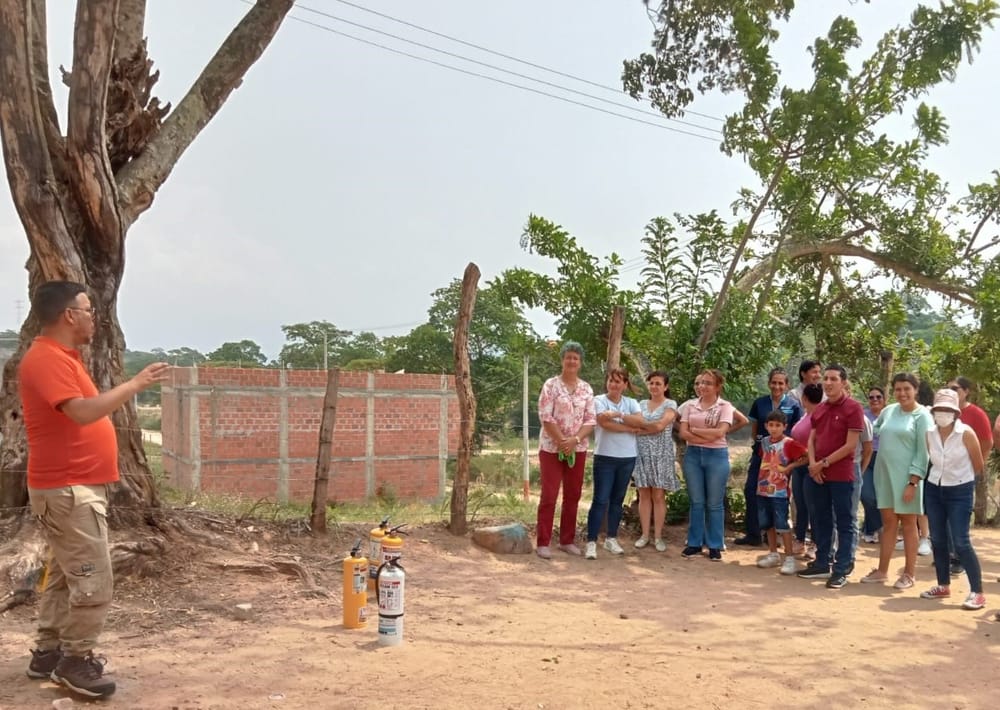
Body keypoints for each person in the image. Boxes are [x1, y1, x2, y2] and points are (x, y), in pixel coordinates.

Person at [20, 281, 170, 699]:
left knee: (67, 575)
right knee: (92, 578)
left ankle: (48, 652)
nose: (94, 319)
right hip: (67, 489)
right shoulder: (46, 359)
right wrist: (136, 384)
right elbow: (83, 413)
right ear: (69, 315)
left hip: (72, 488)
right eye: (89, 310)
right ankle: (75, 660)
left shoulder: (63, 358)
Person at [861, 373, 933, 590]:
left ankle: (909, 574)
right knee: (889, 522)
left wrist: (913, 482)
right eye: (898, 389)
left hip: (907, 479)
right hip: (884, 476)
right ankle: (882, 571)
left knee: (910, 524)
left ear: (915, 390)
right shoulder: (889, 410)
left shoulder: (922, 417)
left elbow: (923, 453)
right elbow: (877, 429)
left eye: (907, 389)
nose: (902, 393)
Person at [919, 389, 987, 610]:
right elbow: (932, 461)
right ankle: (943, 585)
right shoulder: (929, 433)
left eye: (948, 410)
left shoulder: (966, 433)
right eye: (939, 409)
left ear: (956, 412)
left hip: (960, 490)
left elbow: (978, 465)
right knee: (938, 539)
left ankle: (977, 592)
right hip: (934, 489)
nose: (943, 414)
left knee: (961, 541)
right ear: (934, 411)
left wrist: (964, 483)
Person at [797, 365, 864, 589]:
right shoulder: (821, 408)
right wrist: (814, 465)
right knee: (821, 519)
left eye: (833, 378)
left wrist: (823, 463)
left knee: (845, 521)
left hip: (842, 474)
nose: (828, 382)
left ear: (843, 382)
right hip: (819, 474)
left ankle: (842, 568)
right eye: (825, 378)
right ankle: (822, 562)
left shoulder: (854, 408)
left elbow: (851, 445)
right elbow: (812, 439)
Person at [536, 341, 596, 559]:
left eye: (576, 358)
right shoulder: (551, 385)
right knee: (549, 495)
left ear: (580, 363)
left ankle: (566, 540)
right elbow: (546, 416)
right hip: (551, 448)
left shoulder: (586, 389)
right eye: (568, 357)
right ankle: (543, 542)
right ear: (562, 360)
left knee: (573, 495)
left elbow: (591, 419)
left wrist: (575, 440)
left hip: (577, 450)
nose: (572, 361)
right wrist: (562, 441)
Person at [735, 368, 802, 547]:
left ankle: (775, 536)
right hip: (761, 455)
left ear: (787, 385)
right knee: (752, 490)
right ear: (769, 383)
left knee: (778, 496)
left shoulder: (794, 405)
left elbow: (796, 431)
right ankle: (754, 533)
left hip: (783, 458)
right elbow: (756, 427)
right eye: (774, 382)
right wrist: (758, 444)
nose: (777, 386)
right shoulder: (760, 403)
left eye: (781, 383)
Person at [678, 369, 735, 561]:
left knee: (714, 503)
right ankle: (694, 543)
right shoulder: (690, 406)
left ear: (718, 386)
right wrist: (705, 434)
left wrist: (695, 430)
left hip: (717, 456)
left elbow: (720, 433)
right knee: (697, 502)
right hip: (693, 456)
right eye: (701, 382)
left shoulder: (725, 406)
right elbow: (683, 433)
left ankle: (715, 545)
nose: (703, 386)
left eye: (708, 383)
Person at [585, 368, 641, 559]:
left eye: (618, 381)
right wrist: (628, 427)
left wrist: (617, 414)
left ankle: (611, 538)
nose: (613, 384)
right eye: (611, 380)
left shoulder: (632, 402)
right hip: (605, 457)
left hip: (627, 457)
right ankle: (591, 541)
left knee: (617, 500)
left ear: (625, 384)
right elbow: (603, 423)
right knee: (600, 500)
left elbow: (640, 422)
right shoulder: (599, 400)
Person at [623, 370, 679, 552]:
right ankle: (645, 535)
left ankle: (658, 537)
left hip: (662, 454)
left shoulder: (670, 404)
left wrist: (644, 429)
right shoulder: (640, 404)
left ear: (666, 386)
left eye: (658, 383)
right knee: (644, 495)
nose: (654, 386)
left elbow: (661, 426)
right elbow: (633, 424)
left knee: (658, 495)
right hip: (642, 453)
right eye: (651, 383)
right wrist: (649, 428)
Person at [945, 377, 995, 574]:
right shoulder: (943, 413)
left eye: (955, 389)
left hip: (965, 473)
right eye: (947, 389)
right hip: (943, 472)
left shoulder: (976, 414)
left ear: (966, 391)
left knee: (958, 515)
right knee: (943, 515)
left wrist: (976, 466)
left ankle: (959, 557)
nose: (951, 392)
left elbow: (987, 442)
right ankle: (949, 553)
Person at [754, 411, 808, 575]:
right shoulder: (764, 442)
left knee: (782, 523)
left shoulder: (789, 443)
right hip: (763, 489)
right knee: (767, 523)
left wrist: (789, 468)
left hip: (780, 491)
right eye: (771, 425)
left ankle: (789, 557)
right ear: (766, 426)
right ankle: (773, 553)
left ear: (785, 426)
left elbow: (806, 456)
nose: (774, 429)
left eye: (778, 425)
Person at [789, 383, 824, 556]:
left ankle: (816, 543)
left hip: (811, 466)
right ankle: (800, 539)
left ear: (804, 398)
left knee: (813, 506)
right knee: (801, 504)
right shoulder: (805, 416)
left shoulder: (819, 418)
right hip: (798, 466)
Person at [860, 386, 886, 543]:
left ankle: (870, 529)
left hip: (884, 459)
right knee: (867, 496)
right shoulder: (863, 415)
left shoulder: (889, 415)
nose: (875, 400)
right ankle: (878, 527)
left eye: (878, 397)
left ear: (884, 400)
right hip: (866, 458)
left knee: (881, 498)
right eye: (871, 397)